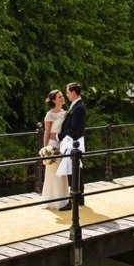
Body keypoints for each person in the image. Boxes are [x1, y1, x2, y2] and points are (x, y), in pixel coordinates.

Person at [56, 82, 86, 210]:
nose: (66, 94)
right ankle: (79, 198)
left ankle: (73, 200)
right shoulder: (76, 105)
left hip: (74, 142)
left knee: (73, 171)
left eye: (67, 92)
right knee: (76, 170)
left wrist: (60, 136)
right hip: (73, 141)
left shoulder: (79, 107)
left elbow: (74, 128)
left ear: (73, 92)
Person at [40, 90, 69, 209]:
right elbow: (47, 132)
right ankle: (54, 200)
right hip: (53, 144)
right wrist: (45, 149)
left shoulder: (64, 113)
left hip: (63, 143)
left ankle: (64, 199)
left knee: (62, 171)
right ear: (53, 100)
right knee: (53, 172)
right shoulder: (50, 114)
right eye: (59, 97)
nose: (62, 98)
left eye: (62, 96)